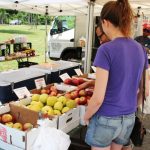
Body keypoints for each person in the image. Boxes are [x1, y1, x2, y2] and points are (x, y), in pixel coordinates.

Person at [83, 0, 149, 150]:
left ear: (105, 22)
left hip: (106, 118)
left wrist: (86, 116)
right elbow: (145, 90)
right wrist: (131, 107)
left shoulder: (105, 50)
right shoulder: (140, 49)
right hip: (128, 118)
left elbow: (98, 98)